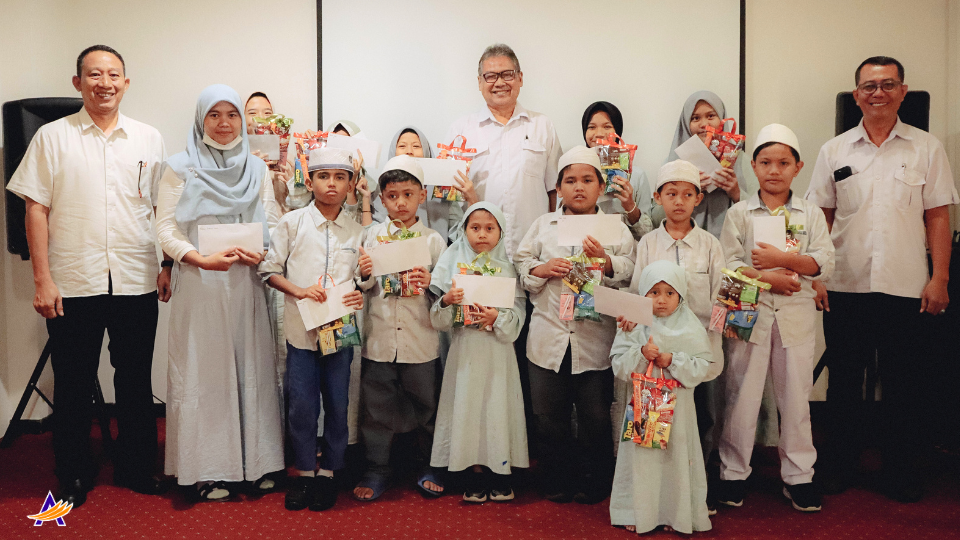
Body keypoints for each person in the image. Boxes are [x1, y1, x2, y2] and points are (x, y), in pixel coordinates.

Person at [7, 45, 168, 507]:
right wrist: (42, 280)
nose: (105, 83)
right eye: (94, 75)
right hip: (73, 281)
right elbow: (35, 210)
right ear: (78, 83)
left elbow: (162, 208)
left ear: (126, 83)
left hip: (136, 277)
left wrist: (166, 263)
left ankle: (136, 467)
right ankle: (74, 473)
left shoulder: (148, 138)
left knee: (135, 380)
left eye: (113, 74)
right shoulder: (52, 138)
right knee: (74, 383)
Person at [805, 56, 959, 502]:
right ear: (856, 95)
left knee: (903, 384)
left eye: (888, 84)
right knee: (844, 381)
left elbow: (938, 217)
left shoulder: (926, 148)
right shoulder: (834, 151)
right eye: (869, 86)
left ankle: (900, 472)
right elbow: (819, 218)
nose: (878, 93)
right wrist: (816, 277)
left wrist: (940, 278)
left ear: (902, 92)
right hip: (844, 283)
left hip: (905, 285)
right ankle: (840, 465)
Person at [155, 84, 284, 501]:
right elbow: (165, 228)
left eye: (232, 115)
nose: (224, 123)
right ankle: (208, 469)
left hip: (246, 284)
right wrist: (197, 259)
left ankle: (257, 463)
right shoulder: (178, 167)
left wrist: (262, 251)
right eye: (214, 115)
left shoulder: (257, 168)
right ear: (201, 119)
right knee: (205, 373)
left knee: (252, 369)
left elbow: (272, 221)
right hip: (200, 285)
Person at [717, 124, 834, 513]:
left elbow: (824, 262)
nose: (774, 170)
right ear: (753, 165)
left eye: (783, 163)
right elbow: (728, 264)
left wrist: (783, 261)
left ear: (798, 167)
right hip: (747, 312)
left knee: (796, 399)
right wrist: (767, 278)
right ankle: (733, 474)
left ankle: (799, 477)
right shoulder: (739, 213)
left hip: (795, 317)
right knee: (741, 396)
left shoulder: (810, 212)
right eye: (765, 162)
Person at [514, 146, 635, 503]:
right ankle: (555, 478)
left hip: (596, 339)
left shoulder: (615, 227)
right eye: (570, 181)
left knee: (595, 415)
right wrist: (542, 269)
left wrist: (606, 261)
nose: (578, 187)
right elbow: (521, 265)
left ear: (601, 186)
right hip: (548, 336)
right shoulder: (543, 225)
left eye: (587, 180)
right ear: (558, 187)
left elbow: (632, 270)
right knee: (548, 414)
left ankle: (594, 479)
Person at [259, 147, 367, 512]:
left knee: (338, 402)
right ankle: (305, 471)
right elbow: (269, 270)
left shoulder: (357, 232)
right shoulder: (291, 224)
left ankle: (329, 472)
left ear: (350, 183)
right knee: (302, 405)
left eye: (340, 177)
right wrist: (299, 290)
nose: (331, 184)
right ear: (309, 181)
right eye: (323, 176)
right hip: (301, 332)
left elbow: (362, 280)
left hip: (340, 333)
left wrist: (362, 290)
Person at [624, 160, 724, 490]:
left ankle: (699, 489)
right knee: (656, 419)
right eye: (671, 194)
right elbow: (637, 292)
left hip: (698, 349)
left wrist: (728, 323)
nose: (679, 201)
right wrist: (629, 316)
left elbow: (721, 297)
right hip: (657, 351)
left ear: (699, 199)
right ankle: (659, 490)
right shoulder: (648, 244)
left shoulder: (710, 245)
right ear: (657, 197)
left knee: (703, 418)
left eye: (687, 194)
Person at [353, 156, 447, 501]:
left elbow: (446, 291)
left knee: (427, 405)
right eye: (392, 196)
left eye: (408, 194)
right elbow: (361, 285)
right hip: (379, 339)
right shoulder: (372, 236)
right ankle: (377, 468)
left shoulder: (433, 240)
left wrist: (430, 281)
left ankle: (430, 465)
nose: (401, 203)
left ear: (422, 195)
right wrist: (365, 272)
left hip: (421, 339)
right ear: (381, 199)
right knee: (376, 408)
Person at [429, 203, 528, 503]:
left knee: (497, 407)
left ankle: (500, 473)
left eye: (489, 228)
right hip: (465, 351)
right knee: (468, 409)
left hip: (498, 352)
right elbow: (438, 320)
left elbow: (518, 314)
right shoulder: (453, 261)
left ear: (501, 232)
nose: (482, 235)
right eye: (475, 228)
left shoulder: (507, 267)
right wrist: (448, 300)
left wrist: (497, 318)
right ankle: (473, 473)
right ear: (464, 230)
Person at [609, 260, 713, 534]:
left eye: (670, 293)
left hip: (679, 411)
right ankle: (636, 511)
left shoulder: (691, 325)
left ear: (681, 295)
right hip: (644, 404)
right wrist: (642, 354)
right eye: (654, 292)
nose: (662, 300)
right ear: (643, 293)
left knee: (675, 459)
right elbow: (619, 364)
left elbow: (702, 366)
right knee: (643, 459)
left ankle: (674, 514)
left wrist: (673, 360)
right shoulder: (633, 325)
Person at [444, 43, 562, 257]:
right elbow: (450, 199)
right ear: (479, 82)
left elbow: (555, 191)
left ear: (520, 78)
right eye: (490, 76)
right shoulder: (461, 130)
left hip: (533, 251)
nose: (499, 82)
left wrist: (551, 241)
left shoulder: (542, 126)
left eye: (507, 74)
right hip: (479, 253)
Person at [640, 91, 747, 239]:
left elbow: (759, 213)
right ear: (686, 123)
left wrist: (736, 193)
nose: (704, 124)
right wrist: (686, 191)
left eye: (711, 116)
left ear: (722, 118)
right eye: (695, 118)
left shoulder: (741, 161)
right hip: (682, 244)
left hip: (730, 245)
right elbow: (656, 219)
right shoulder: (672, 163)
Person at [373, 126, 467, 242]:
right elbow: (376, 231)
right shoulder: (384, 187)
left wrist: (471, 198)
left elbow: (461, 235)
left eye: (416, 146)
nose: (409, 151)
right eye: (402, 146)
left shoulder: (441, 187)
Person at [581, 101, 653, 240]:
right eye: (591, 127)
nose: (599, 134)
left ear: (618, 132)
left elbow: (647, 234)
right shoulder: (573, 173)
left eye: (607, 126)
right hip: (585, 246)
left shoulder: (637, 176)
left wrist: (630, 206)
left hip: (623, 249)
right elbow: (562, 224)